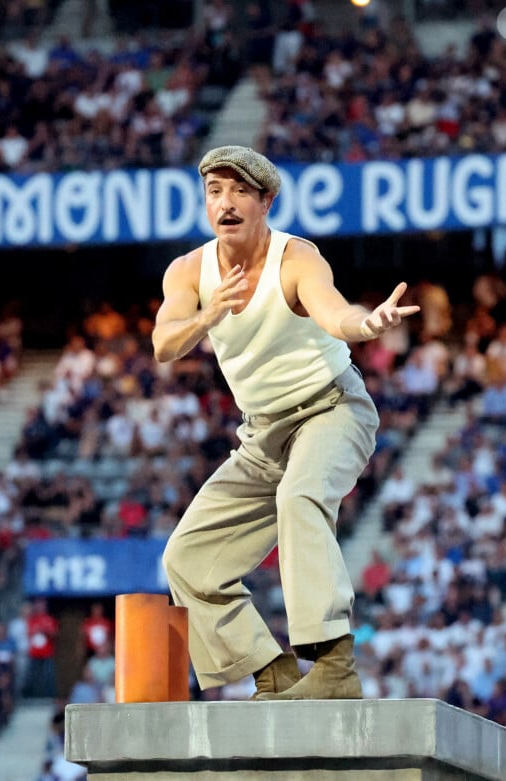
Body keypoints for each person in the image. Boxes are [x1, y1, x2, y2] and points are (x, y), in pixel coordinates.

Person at [153, 145, 420, 701]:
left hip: (332, 410)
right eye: (214, 192)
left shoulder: (296, 258)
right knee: (188, 559)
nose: (225, 203)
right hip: (262, 436)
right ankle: (270, 672)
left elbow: (333, 312)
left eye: (240, 192)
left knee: (300, 498)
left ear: (266, 201)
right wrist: (209, 313)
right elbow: (163, 344)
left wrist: (366, 323)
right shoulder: (188, 272)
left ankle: (333, 667)